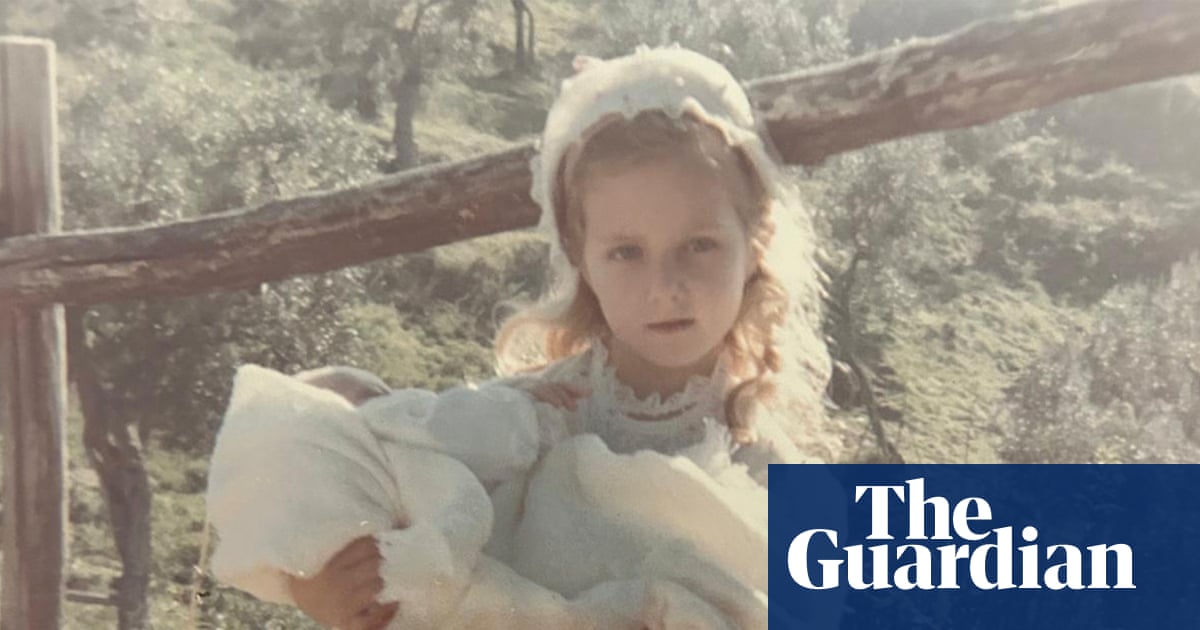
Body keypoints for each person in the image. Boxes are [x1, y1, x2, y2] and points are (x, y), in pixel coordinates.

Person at [210, 45, 844, 630]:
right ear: (581, 256)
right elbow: (338, 444)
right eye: (627, 252)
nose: (665, 286)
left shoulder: (768, 466)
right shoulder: (530, 418)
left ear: (753, 243)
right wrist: (319, 579)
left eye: (699, 245)